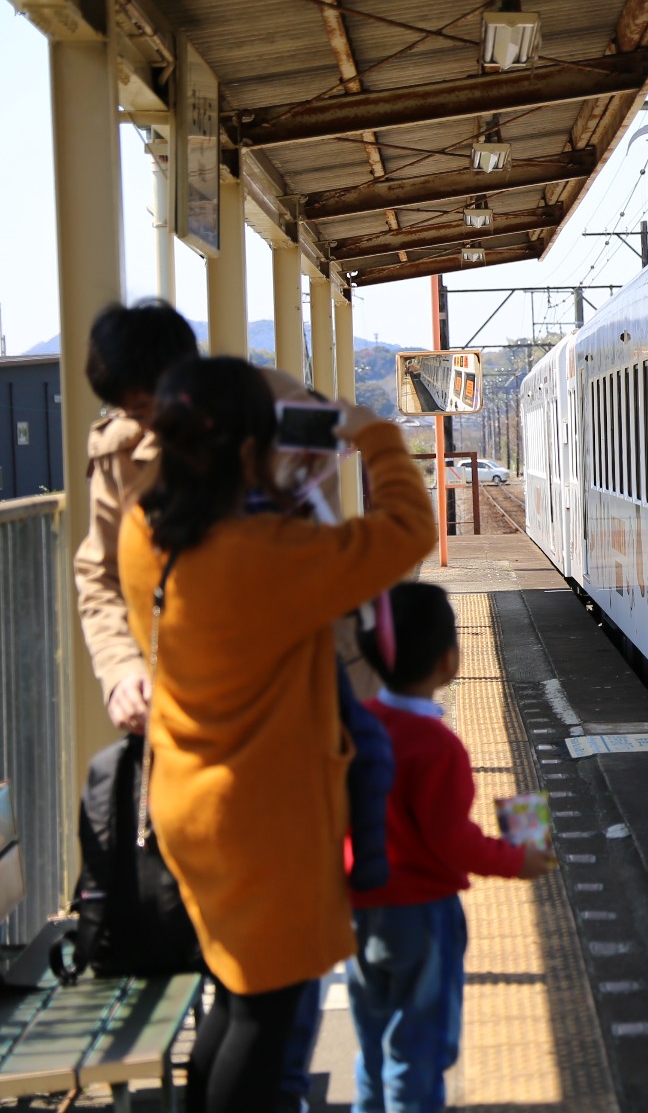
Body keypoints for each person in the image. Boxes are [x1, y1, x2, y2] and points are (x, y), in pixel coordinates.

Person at [120, 356, 435, 1112]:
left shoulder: (147, 530)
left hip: (188, 797)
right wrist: (378, 437)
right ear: (241, 452)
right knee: (266, 1016)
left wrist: (274, 496)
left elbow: (246, 558)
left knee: (233, 991)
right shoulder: (268, 557)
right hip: (261, 821)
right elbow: (408, 530)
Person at [349, 582, 553, 1113]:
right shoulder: (438, 747)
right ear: (449, 661)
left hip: (358, 908)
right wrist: (517, 860)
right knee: (420, 1048)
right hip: (420, 915)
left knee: (374, 1046)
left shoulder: (359, 724)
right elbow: (451, 841)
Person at [75, 300, 198, 735]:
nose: (140, 423)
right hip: (161, 697)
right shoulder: (118, 455)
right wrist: (121, 670)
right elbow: (99, 572)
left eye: (147, 407)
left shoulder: (248, 436)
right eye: (125, 409)